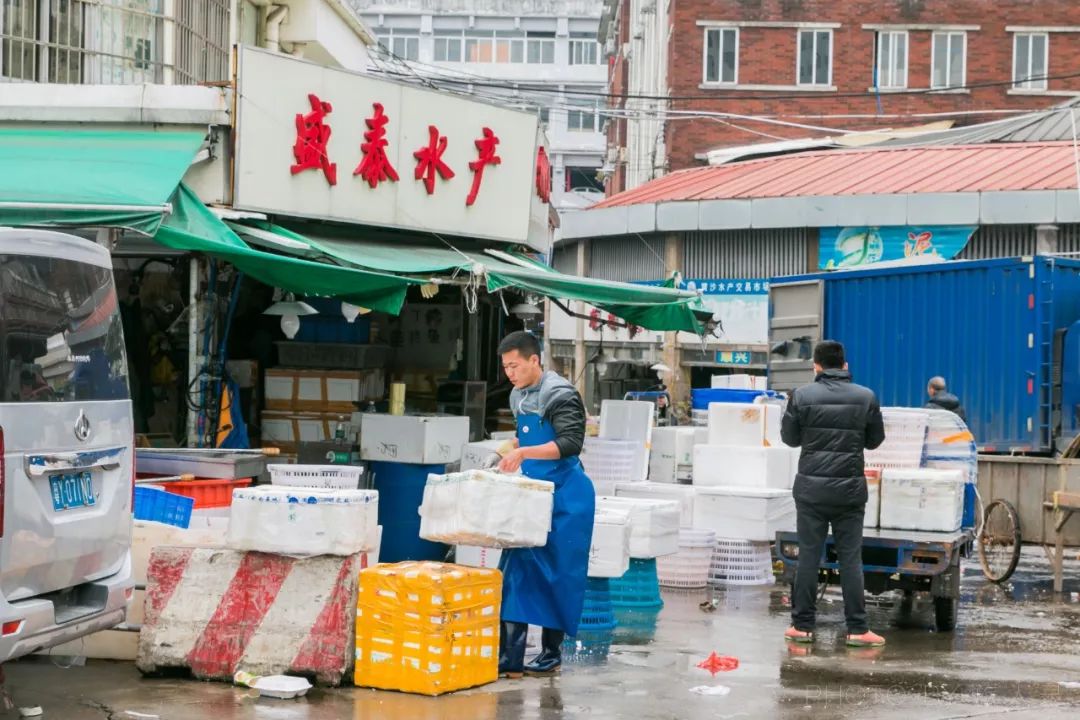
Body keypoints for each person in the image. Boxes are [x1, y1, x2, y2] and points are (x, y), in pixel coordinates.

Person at [494, 331, 594, 678]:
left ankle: (551, 654)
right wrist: (505, 451)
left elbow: (570, 443)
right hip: (534, 495)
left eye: (515, 366)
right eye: (506, 367)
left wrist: (523, 452)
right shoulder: (517, 395)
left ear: (534, 360)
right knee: (515, 570)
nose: (510, 373)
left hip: (567, 497)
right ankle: (511, 658)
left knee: (558, 577)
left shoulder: (560, 394)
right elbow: (525, 437)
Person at [780, 340, 887, 648]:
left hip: (811, 492)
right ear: (845, 365)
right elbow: (874, 441)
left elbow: (789, 439)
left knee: (809, 557)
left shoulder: (801, 396)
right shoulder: (866, 397)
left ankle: (801, 627)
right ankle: (858, 629)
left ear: (816, 365)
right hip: (849, 492)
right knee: (851, 560)